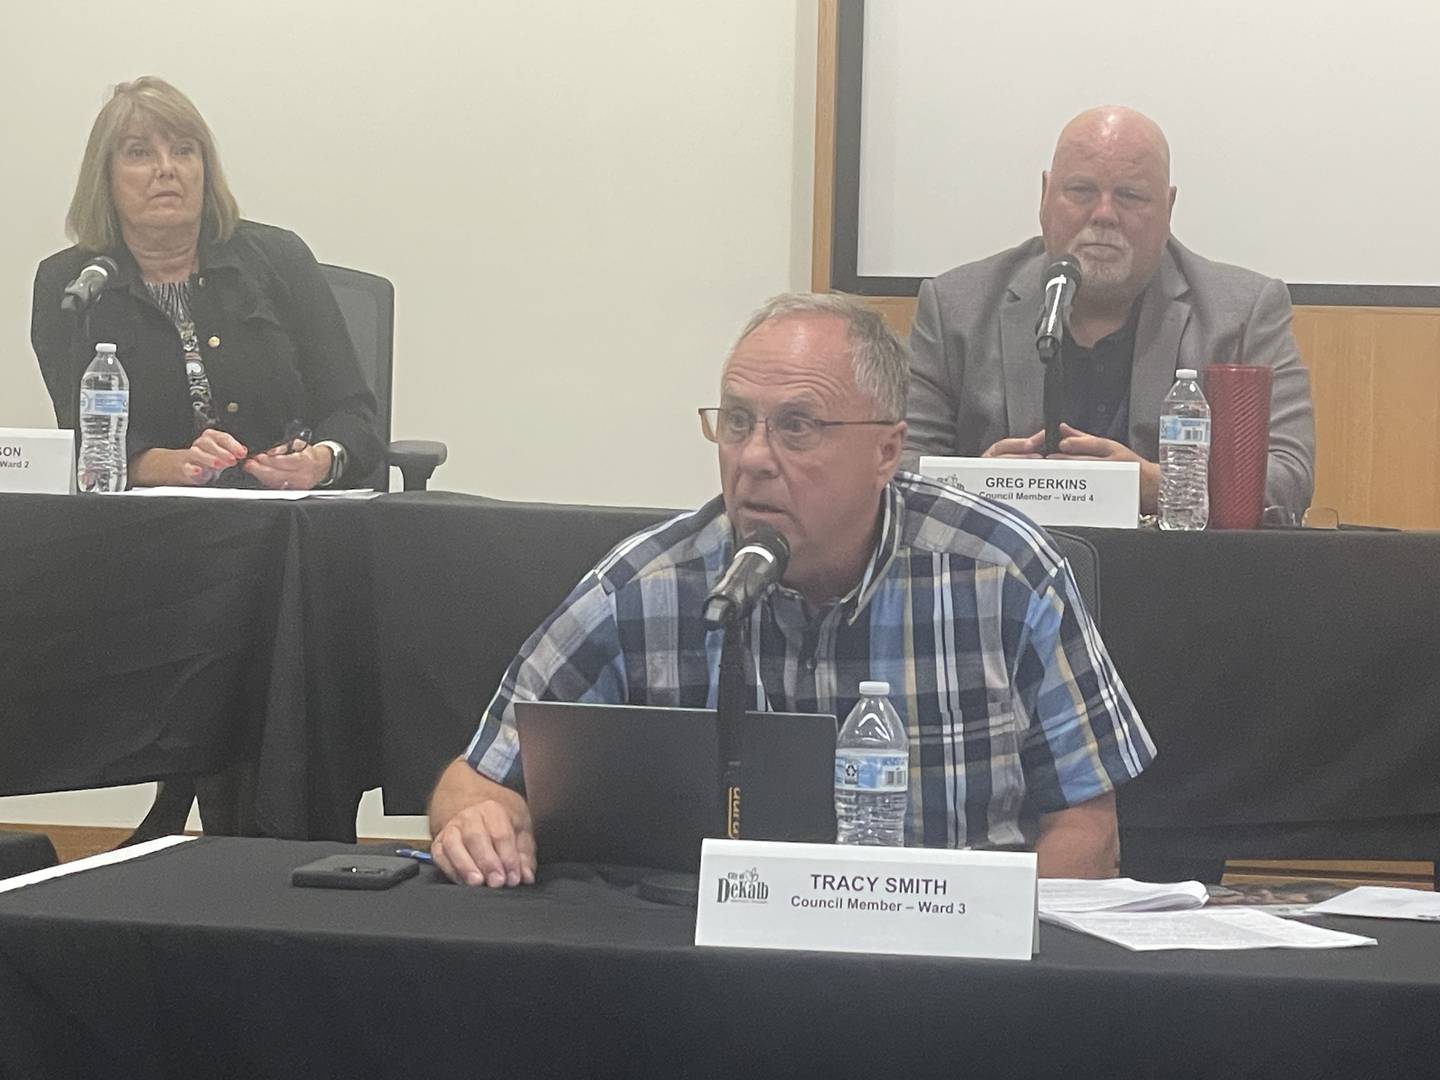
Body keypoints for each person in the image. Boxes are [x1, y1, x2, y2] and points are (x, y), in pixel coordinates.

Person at [428, 292, 1155, 888]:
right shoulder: (646, 587)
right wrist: (480, 820)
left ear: (887, 451)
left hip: (949, 991)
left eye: (796, 428)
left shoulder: (1003, 571)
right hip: (707, 995)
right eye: (737, 422)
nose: (753, 459)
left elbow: (1085, 831)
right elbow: (476, 779)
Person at [903, 106, 1315, 517]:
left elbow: (1288, 476)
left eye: (1130, 196)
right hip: (1001, 574)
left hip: (1173, 574)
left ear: (1169, 208)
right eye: (1081, 191)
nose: (1103, 214)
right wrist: (981, 485)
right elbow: (896, 468)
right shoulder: (956, 307)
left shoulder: (1242, 314)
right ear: (1045, 197)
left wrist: (1158, 485)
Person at [31, 76, 382, 490]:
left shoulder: (279, 258)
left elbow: (353, 412)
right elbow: (83, 440)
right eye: (140, 153)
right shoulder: (74, 283)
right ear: (104, 176)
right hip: (144, 527)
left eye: (183, 151)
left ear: (204, 169)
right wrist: (171, 465)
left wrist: (321, 460)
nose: (166, 169)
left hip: (285, 521)